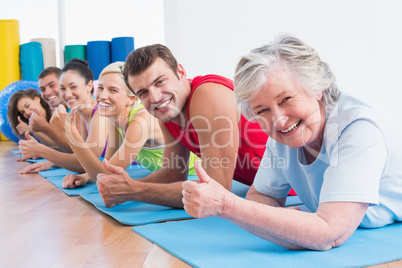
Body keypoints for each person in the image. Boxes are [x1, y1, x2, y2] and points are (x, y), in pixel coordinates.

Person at [181, 34, 402, 251]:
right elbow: (261, 196)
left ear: (316, 88)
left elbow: (328, 234)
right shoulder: (284, 137)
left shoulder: (359, 129)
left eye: (286, 99)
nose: (278, 119)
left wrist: (225, 204)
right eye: (262, 110)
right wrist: (287, 227)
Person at [95, 44, 269, 208]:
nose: (155, 97)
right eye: (143, 92)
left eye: (160, 82)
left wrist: (133, 191)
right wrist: (123, 186)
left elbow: (216, 189)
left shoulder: (208, 95)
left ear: (180, 72)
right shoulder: (168, 114)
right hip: (263, 188)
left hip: (287, 187)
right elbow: (172, 174)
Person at [62, 62, 197, 188]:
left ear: (131, 99)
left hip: (192, 174)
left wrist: (72, 135)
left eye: (113, 90)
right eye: (101, 88)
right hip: (167, 175)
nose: (102, 96)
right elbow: (108, 167)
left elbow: (106, 175)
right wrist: (85, 177)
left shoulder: (140, 121)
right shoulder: (114, 118)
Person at [18, 58, 109, 173]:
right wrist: (52, 162)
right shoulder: (79, 113)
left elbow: (85, 164)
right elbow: (77, 151)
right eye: (63, 88)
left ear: (89, 85)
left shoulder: (99, 115)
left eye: (73, 87)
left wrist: (41, 150)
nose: (67, 94)